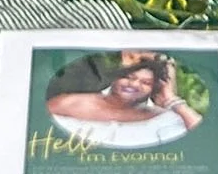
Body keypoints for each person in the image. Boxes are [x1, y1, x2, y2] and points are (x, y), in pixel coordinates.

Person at [45, 57, 200, 147]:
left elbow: (202, 137)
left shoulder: (161, 118)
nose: (134, 85)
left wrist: (171, 99)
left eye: (145, 83)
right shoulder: (70, 103)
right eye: (129, 77)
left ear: (154, 89)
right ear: (115, 78)